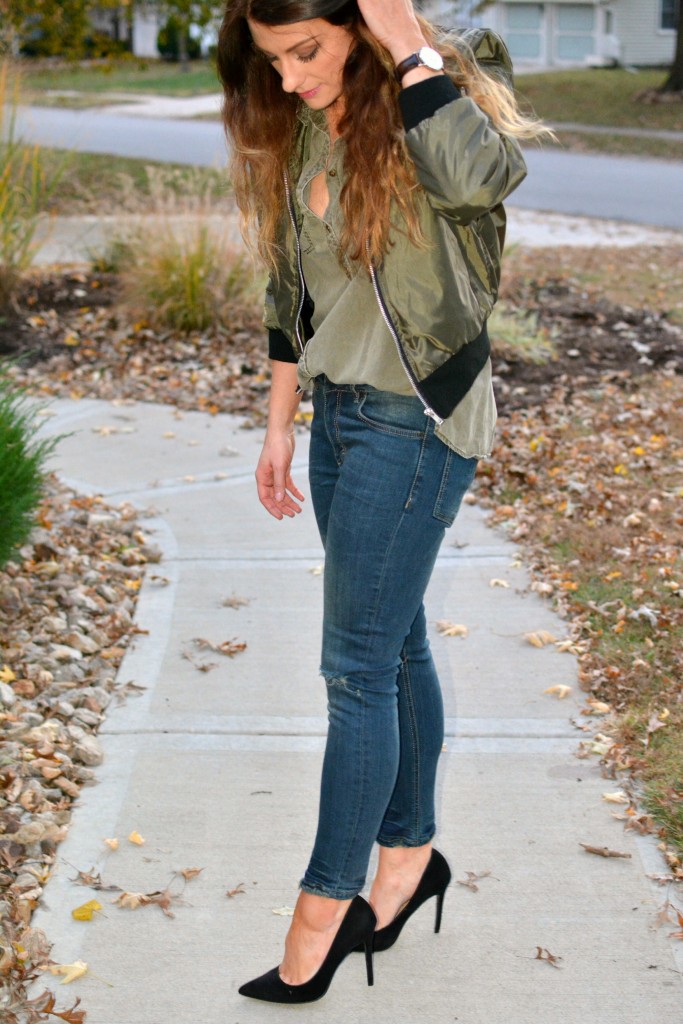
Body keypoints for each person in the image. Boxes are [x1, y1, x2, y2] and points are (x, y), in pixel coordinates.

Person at [217, 0, 546, 1004]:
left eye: (304, 52)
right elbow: (289, 288)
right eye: (272, 61)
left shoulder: (435, 96)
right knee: (392, 641)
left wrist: (407, 46)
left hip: (416, 422)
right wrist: (279, 423)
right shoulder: (306, 125)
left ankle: (325, 906)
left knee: (353, 664)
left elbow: (488, 178)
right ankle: (409, 855)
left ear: (360, 28)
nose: (287, 78)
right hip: (339, 413)